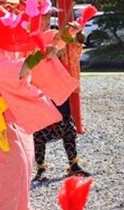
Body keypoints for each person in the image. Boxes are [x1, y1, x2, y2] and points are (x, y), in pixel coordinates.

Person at [0, 0, 79, 210]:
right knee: (7, 161)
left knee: (24, 159)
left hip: (13, 107)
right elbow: (16, 71)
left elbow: (40, 47)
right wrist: (38, 56)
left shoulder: (12, 42)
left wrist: (63, 38)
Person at [33, 30, 89, 181]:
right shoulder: (31, 36)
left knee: (67, 127)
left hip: (57, 87)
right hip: (40, 87)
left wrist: (77, 31)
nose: (45, 17)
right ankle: (40, 167)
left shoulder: (53, 33)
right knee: (40, 130)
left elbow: (72, 42)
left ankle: (73, 164)